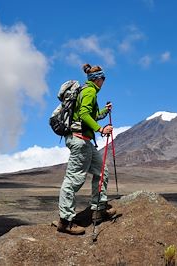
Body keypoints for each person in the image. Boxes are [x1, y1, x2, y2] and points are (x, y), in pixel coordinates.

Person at [57, 63, 116, 235]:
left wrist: (104, 111)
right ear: (98, 79)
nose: (104, 82)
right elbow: (83, 115)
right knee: (74, 179)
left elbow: (90, 115)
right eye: (103, 79)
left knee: (101, 172)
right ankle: (65, 221)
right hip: (80, 140)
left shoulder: (88, 92)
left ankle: (98, 209)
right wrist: (101, 129)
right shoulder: (89, 91)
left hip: (86, 142)